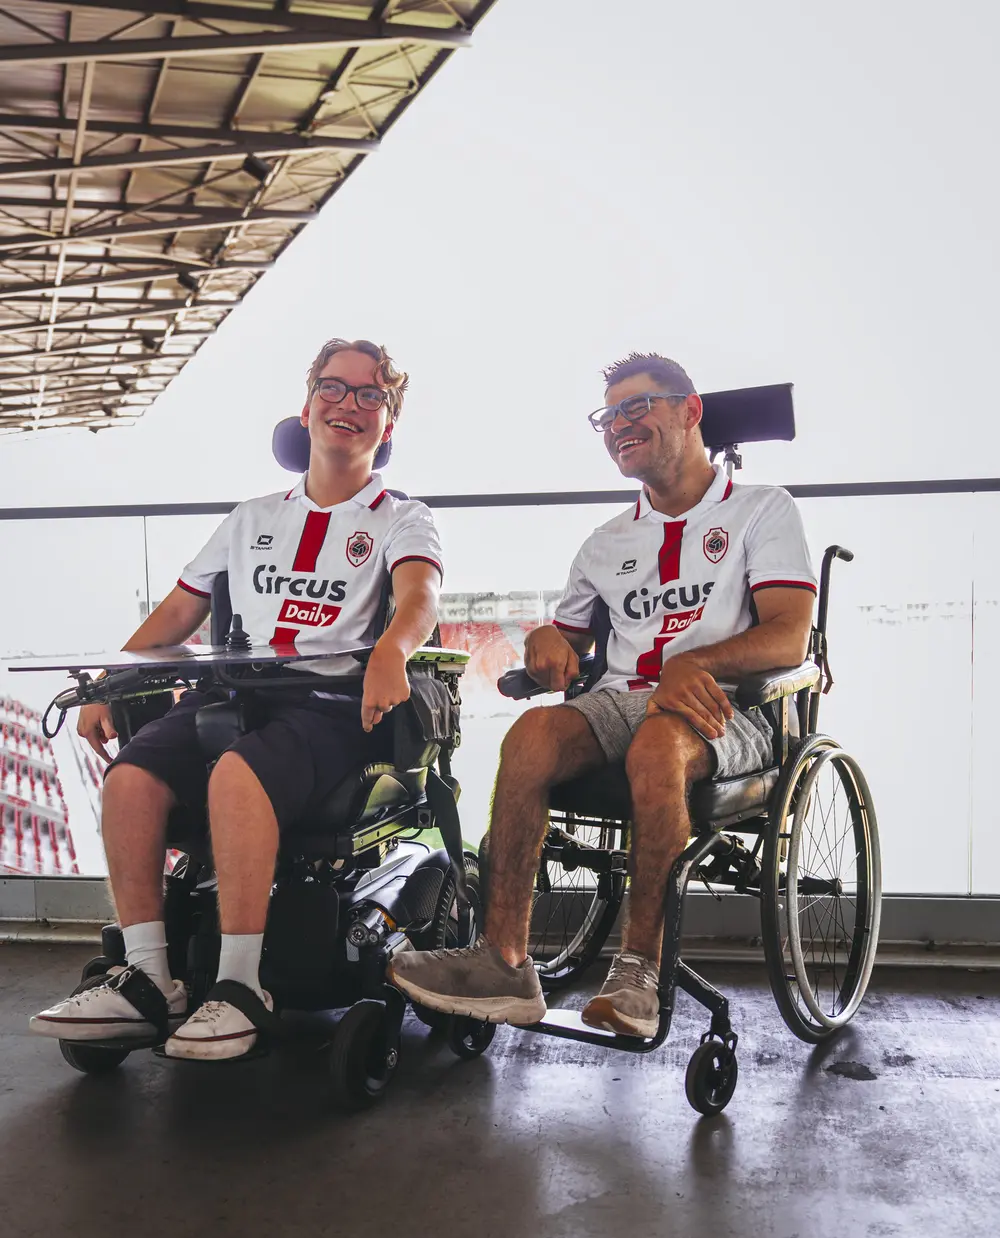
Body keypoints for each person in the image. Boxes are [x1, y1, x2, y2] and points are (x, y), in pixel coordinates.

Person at [31, 338, 443, 1060]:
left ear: (389, 422)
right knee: (130, 779)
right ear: (306, 405)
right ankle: (149, 979)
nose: (347, 404)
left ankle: (242, 987)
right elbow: (175, 615)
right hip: (234, 696)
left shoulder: (402, 517)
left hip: (328, 707)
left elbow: (420, 599)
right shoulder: (250, 517)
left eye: (369, 394)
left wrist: (391, 650)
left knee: (237, 773)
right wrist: (105, 684)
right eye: (332, 387)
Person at [390, 352, 816, 1039]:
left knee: (657, 746)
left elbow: (790, 635)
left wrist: (693, 662)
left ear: (690, 410)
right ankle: (503, 962)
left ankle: (638, 970)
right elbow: (566, 640)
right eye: (609, 416)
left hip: (728, 707)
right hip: (621, 700)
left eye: (636, 407)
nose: (619, 425)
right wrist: (544, 643)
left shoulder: (762, 510)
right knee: (530, 737)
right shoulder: (605, 543)